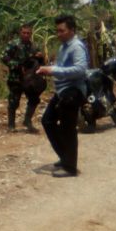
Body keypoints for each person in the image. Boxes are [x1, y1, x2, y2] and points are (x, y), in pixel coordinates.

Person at [36, 14, 88, 178]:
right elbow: (62, 67)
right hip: (62, 90)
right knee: (47, 120)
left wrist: (53, 70)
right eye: (57, 31)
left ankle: (70, 167)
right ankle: (65, 157)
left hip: (73, 91)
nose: (58, 34)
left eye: (62, 31)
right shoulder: (63, 47)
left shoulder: (76, 47)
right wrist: (48, 69)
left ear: (72, 30)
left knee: (68, 128)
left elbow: (81, 69)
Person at [1, 23, 46, 132]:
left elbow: (40, 62)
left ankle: (27, 121)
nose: (26, 35)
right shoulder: (13, 44)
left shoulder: (34, 46)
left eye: (28, 33)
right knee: (14, 101)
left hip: (30, 79)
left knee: (34, 99)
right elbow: (3, 57)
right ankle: (11, 126)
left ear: (31, 34)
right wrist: (17, 65)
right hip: (15, 78)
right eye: (24, 33)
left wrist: (41, 57)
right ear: (20, 33)